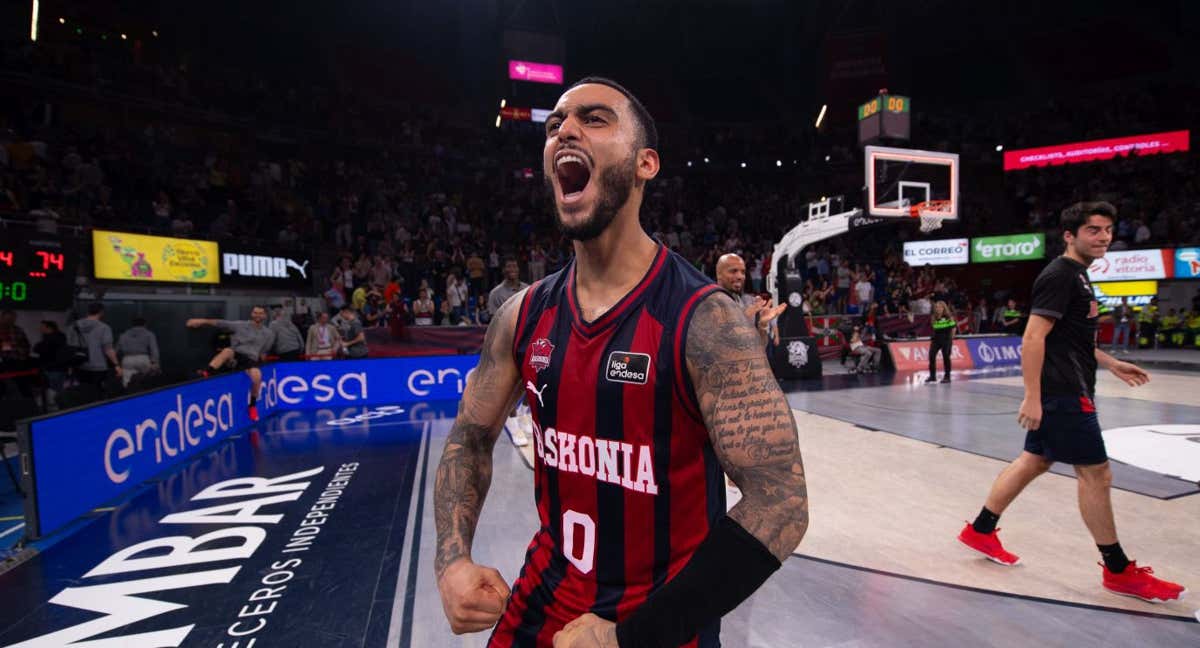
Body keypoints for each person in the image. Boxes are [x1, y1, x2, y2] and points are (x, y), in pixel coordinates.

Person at [434, 77, 807, 648]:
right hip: (542, 600)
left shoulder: (703, 320)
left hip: (659, 626)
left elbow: (780, 501)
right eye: (555, 123)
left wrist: (627, 637)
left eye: (594, 119)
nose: (565, 131)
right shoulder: (521, 315)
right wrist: (452, 560)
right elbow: (469, 436)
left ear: (645, 164)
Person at [957, 202, 1185, 603]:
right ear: (1069, 235)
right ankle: (1117, 571)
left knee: (1035, 460)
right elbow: (1033, 338)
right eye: (1093, 230)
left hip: (1066, 387)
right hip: (1063, 394)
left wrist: (1112, 362)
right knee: (1097, 475)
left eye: (1108, 230)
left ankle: (980, 529)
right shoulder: (1061, 275)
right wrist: (1032, 396)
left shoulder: (1079, 276)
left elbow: (1070, 339)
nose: (1103, 237)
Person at [187, 306, 275, 421]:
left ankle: (252, 406)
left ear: (264, 316)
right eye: (255, 312)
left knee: (257, 375)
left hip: (250, 359)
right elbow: (219, 323)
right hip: (235, 354)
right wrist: (200, 321)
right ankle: (207, 373)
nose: (257, 315)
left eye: (260, 313)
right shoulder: (240, 325)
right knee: (227, 351)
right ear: (252, 314)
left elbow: (263, 352)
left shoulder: (268, 334)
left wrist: (261, 361)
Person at [715, 252, 786, 346]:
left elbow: (760, 347)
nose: (740, 276)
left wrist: (762, 326)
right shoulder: (709, 303)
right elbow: (714, 346)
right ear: (719, 274)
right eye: (733, 271)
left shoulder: (741, 301)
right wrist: (744, 318)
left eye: (743, 272)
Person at [70, 303, 121, 393]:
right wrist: (116, 365)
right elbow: (108, 349)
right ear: (101, 312)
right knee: (97, 392)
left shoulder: (75, 325)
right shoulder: (104, 327)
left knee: (82, 392)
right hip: (98, 366)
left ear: (88, 311)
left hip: (79, 364)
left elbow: (70, 345)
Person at [116, 317, 160, 387]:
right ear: (145, 324)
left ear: (132, 325)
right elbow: (154, 350)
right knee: (146, 381)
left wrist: (117, 365)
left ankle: (129, 394)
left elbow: (117, 350)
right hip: (143, 358)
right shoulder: (149, 334)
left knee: (127, 383)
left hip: (127, 359)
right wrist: (155, 363)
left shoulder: (123, 335)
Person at [0, 309, 34, 397]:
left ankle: (27, 403)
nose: (10, 320)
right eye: (8, 318)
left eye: (12, 318)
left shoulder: (17, 329)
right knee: (6, 387)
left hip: (18, 361)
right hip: (4, 362)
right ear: (2, 317)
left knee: (22, 385)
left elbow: (26, 345)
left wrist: (22, 351)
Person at [926, 301, 956, 384]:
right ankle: (932, 376)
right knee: (931, 356)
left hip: (946, 339)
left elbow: (953, 328)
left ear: (944, 308)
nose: (938, 309)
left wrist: (951, 338)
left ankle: (947, 377)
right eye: (936, 307)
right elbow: (934, 328)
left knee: (946, 357)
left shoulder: (948, 317)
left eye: (940, 307)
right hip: (936, 339)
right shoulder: (933, 317)